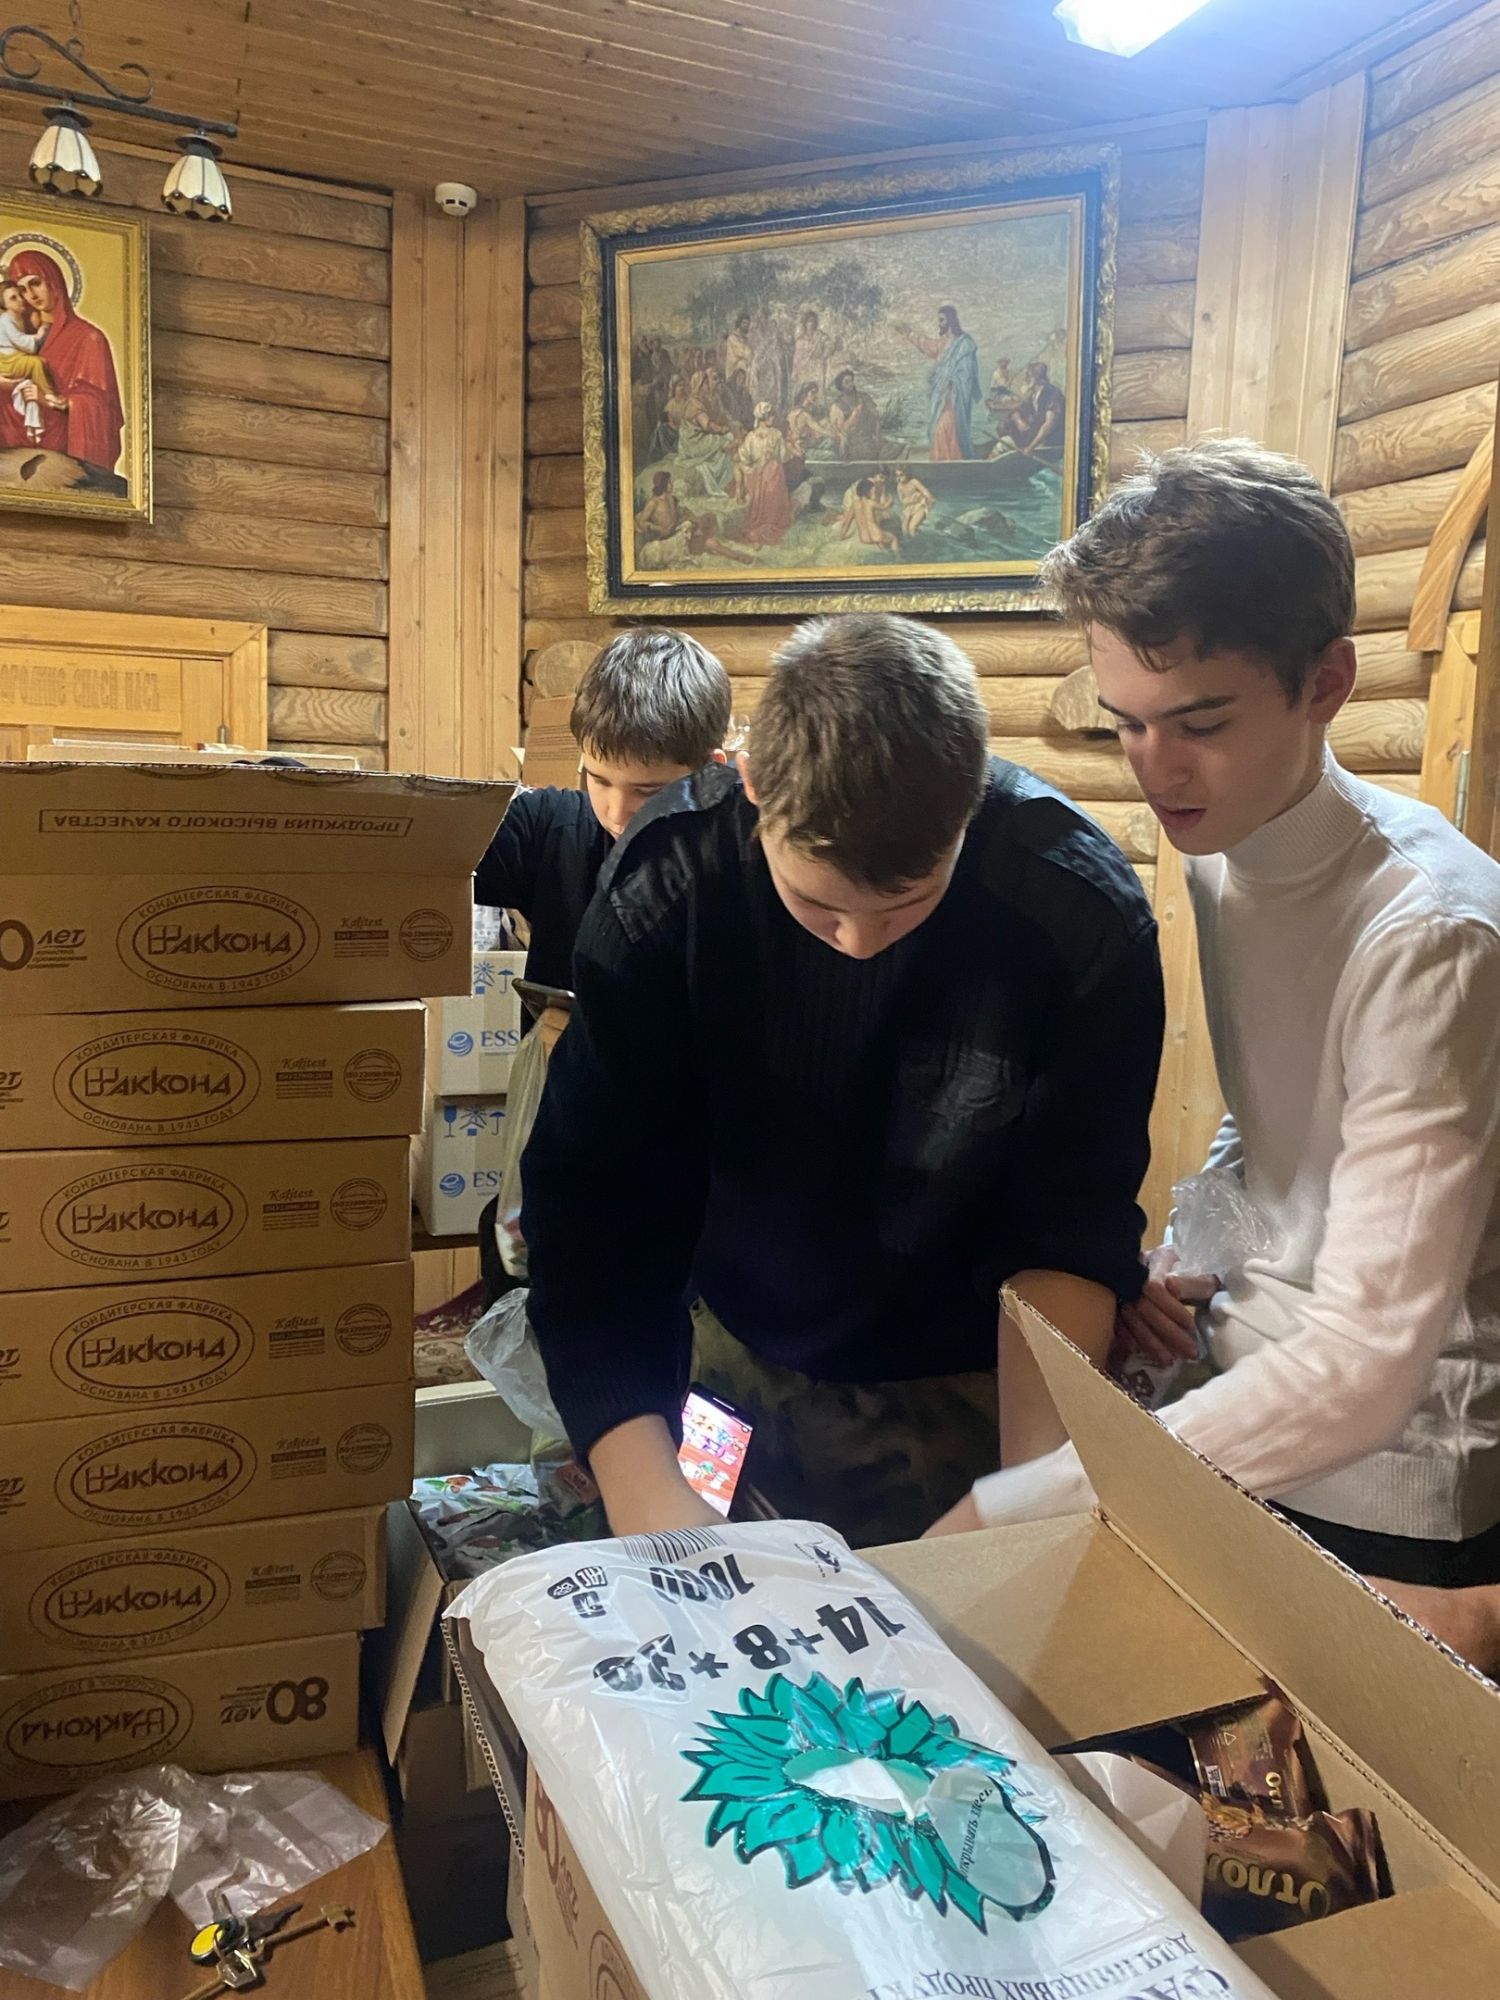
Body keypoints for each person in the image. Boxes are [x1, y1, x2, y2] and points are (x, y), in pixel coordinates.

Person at [941, 439, 1500, 1592]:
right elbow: (1276, 1122)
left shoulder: (1432, 934)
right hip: (1251, 1395)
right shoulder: (1222, 852)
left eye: (1198, 722)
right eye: (1127, 722)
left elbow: (1370, 1362)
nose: (1158, 768)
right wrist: (1190, 1256)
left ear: (1326, 684)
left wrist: (1023, 1498)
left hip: (1393, 1475)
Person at [522, 613, 1164, 1547]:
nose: (860, 945)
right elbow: (597, 1206)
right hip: (727, 1344)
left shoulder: (1077, 914)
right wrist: (644, 1491)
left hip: (971, 1371)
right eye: (817, 905)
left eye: (907, 904)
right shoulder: (669, 887)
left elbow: (1067, 1228)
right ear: (752, 785)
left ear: (971, 807)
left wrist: (1026, 1502)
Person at [472, 628, 733, 1303]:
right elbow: (423, 849)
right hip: (564, 1150)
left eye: (649, 789)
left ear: (712, 768)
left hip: (697, 1172)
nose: (616, 812)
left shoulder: (748, 856)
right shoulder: (551, 826)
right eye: (597, 777)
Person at [0, 249, 124, 468]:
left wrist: (55, 401)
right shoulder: (18, 337)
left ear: (53, 281)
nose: (31, 295)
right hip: (13, 445)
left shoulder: (88, 337)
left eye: (35, 283)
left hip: (62, 453)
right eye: (22, 290)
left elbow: (103, 409)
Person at [902, 304, 982, 460]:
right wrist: (909, 334)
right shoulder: (942, 342)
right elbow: (926, 345)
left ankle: (950, 460)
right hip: (941, 396)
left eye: (942, 320)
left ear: (951, 320)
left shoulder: (964, 344)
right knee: (939, 429)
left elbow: (967, 372)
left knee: (944, 429)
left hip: (956, 397)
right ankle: (945, 459)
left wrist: (953, 382)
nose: (939, 324)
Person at [0, 275, 54, 441]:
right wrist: (38, 336)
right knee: (35, 363)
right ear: (3, 304)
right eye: (13, 298)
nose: (20, 300)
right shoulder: (6, 319)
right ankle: (48, 393)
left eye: (19, 295)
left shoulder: (17, 317)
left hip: (13, 357)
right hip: (6, 361)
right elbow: (20, 341)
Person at [736, 402, 792, 545]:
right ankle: (763, 526)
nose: (773, 417)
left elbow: (745, 458)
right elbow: (783, 456)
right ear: (763, 417)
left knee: (771, 480)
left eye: (773, 414)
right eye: (770, 415)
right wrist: (755, 469)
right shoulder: (757, 436)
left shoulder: (770, 434)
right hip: (764, 475)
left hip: (770, 475)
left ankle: (766, 524)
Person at [992, 361, 1065, 463]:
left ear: (1038, 378)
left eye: (1028, 376)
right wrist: (1017, 419)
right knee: (1003, 443)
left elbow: (1048, 426)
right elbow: (1019, 408)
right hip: (1033, 438)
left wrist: (1030, 448)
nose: (1025, 380)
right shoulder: (1033, 396)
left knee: (1009, 451)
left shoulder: (1053, 394)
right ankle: (987, 465)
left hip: (1048, 441)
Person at [827, 367, 883, 461]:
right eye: (847, 382)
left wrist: (877, 436)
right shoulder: (837, 405)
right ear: (840, 385)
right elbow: (839, 430)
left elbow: (876, 417)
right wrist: (852, 418)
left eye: (852, 381)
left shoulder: (864, 398)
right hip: (851, 444)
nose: (851, 384)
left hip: (868, 440)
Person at [895, 465, 935, 537]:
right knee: (904, 530)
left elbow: (925, 491)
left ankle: (917, 541)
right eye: (897, 475)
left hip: (919, 507)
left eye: (901, 475)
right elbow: (902, 501)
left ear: (907, 474)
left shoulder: (914, 482)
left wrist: (929, 498)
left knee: (912, 528)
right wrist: (911, 501)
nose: (899, 477)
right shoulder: (899, 486)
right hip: (908, 509)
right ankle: (915, 538)